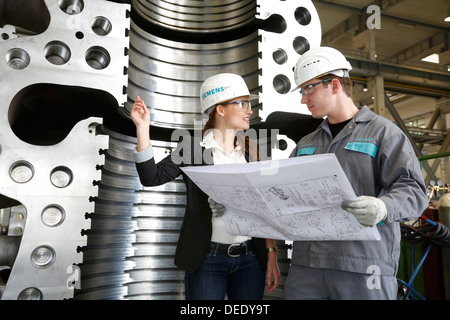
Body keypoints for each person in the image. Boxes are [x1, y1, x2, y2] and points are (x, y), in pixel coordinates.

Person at [284, 46, 429, 300]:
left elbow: (415, 191)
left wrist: (383, 207)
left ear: (335, 85)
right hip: (307, 266)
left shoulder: (384, 134)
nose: (303, 99)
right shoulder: (306, 143)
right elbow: (280, 194)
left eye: (309, 88)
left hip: (363, 266)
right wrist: (234, 207)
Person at [131, 73, 280, 300]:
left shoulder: (253, 151)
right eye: (242, 103)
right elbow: (151, 177)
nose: (250, 110)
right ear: (220, 110)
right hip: (207, 259)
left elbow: (263, 206)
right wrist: (143, 128)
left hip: (251, 258)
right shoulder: (192, 149)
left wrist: (271, 253)